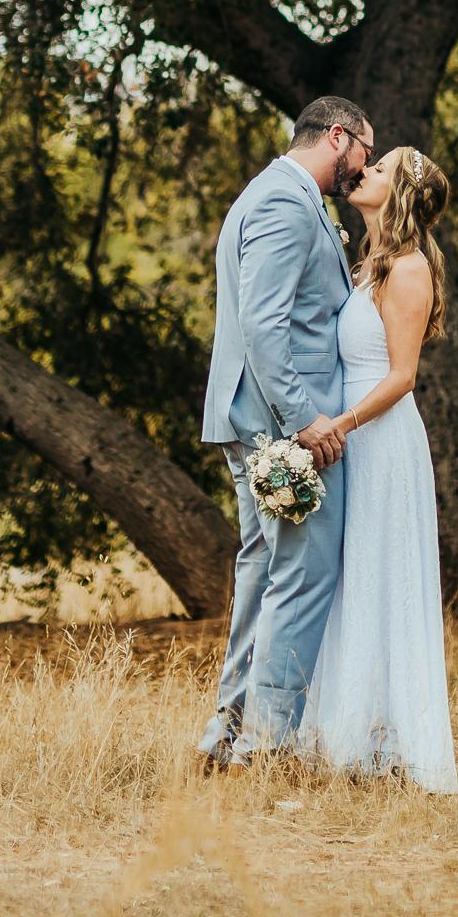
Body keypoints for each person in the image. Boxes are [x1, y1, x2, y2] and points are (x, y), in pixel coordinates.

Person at [196, 97, 370, 770]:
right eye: (363, 151)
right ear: (337, 136)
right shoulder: (283, 202)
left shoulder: (281, 195)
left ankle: (228, 734)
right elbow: (264, 324)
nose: (363, 168)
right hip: (282, 426)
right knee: (304, 573)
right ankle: (266, 744)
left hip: (261, 418)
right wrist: (301, 418)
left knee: (265, 572)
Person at [300, 144, 458, 793]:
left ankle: (389, 745)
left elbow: (402, 376)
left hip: (380, 440)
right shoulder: (370, 264)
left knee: (379, 574)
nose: (364, 170)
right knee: (350, 577)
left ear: (399, 195)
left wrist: (340, 424)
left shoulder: (410, 269)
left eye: (382, 168)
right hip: (351, 437)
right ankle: (346, 737)